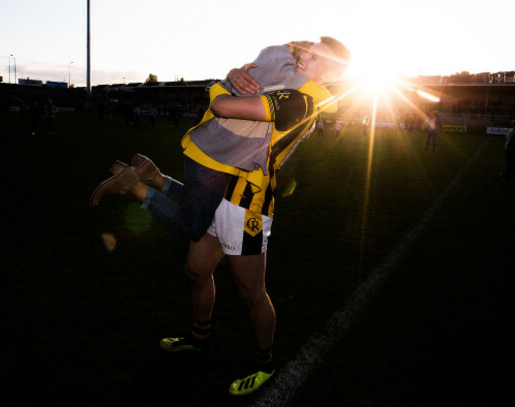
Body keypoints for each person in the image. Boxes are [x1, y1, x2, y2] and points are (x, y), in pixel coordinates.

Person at [89, 37, 350, 396]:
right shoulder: (292, 79)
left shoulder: (303, 99)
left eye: (316, 56)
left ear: (334, 72)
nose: (304, 56)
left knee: (251, 293)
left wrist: (219, 85)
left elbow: (227, 107)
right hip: (222, 180)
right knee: (196, 271)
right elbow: (255, 81)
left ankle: (265, 365)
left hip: (246, 202)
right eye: (307, 49)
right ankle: (199, 340)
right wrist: (236, 73)